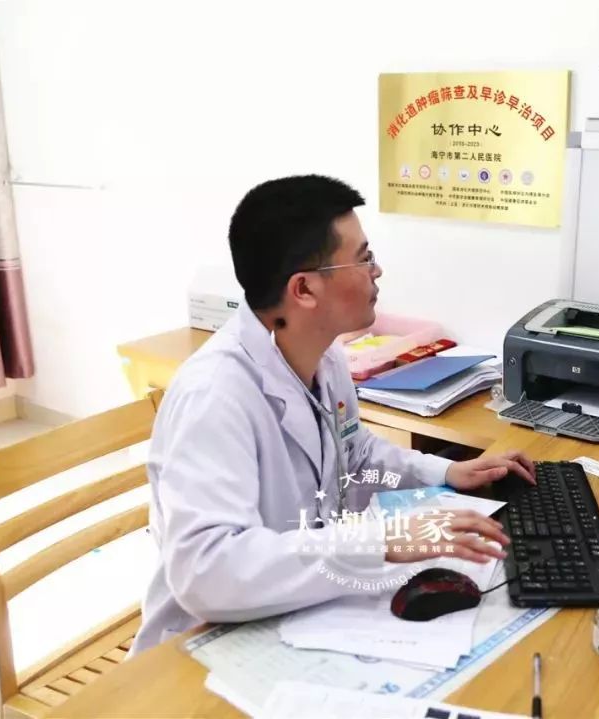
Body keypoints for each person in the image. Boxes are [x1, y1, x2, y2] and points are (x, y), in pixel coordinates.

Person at [131, 175, 536, 653]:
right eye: (363, 258)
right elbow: (207, 571)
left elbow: (352, 452)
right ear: (303, 289)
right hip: (204, 644)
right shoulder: (214, 395)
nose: (377, 270)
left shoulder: (323, 355)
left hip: (300, 609)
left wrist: (446, 472)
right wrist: (383, 542)